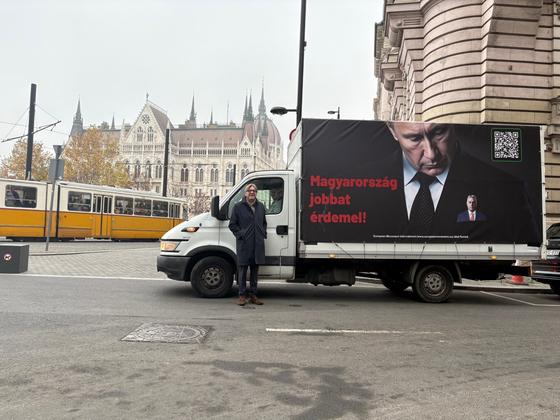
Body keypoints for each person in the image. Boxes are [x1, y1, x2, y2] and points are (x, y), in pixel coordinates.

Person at [366, 121, 538, 243]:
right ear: (392, 130)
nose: (431, 154)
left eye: (439, 133)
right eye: (414, 138)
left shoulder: (506, 188)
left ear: (452, 127)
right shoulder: (366, 180)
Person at [228, 183, 267, 306]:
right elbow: (232, 225)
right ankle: (242, 295)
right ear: (245, 193)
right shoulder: (238, 207)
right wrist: (241, 235)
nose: (252, 192)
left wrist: (262, 233)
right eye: (249, 190)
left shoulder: (261, 206)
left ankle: (253, 295)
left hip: (257, 243)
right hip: (244, 244)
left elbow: (264, 223)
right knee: (243, 271)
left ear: (256, 193)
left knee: (255, 271)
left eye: (254, 191)